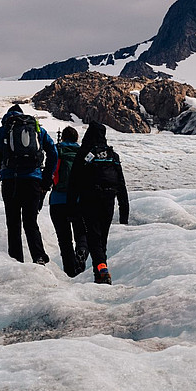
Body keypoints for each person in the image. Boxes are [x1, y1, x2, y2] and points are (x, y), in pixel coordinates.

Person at [0, 104, 57, 264]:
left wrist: (5, 173)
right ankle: (39, 256)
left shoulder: (0, 132)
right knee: (30, 221)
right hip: (33, 180)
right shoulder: (37, 129)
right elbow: (53, 152)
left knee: (13, 224)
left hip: (10, 182)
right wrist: (45, 177)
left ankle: (16, 260)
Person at [66, 120, 129, 285]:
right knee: (103, 239)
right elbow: (121, 185)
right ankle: (101, 272)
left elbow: (74, 183)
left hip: (89, 200)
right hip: (109, 200)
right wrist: (124, 213)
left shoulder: (85, 153)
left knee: (93, 238)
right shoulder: (112, 155)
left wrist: (71, 208)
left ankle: (101, 270)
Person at [48, 126, 88, 277]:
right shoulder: (83, 153)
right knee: (81, 232)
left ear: (63, 138)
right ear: (77, 139)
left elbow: (50, 173)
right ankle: (82, 251)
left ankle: (70, 272)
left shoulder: (57, 151)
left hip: (58, 201)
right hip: (78, 201)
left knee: (64, 239)